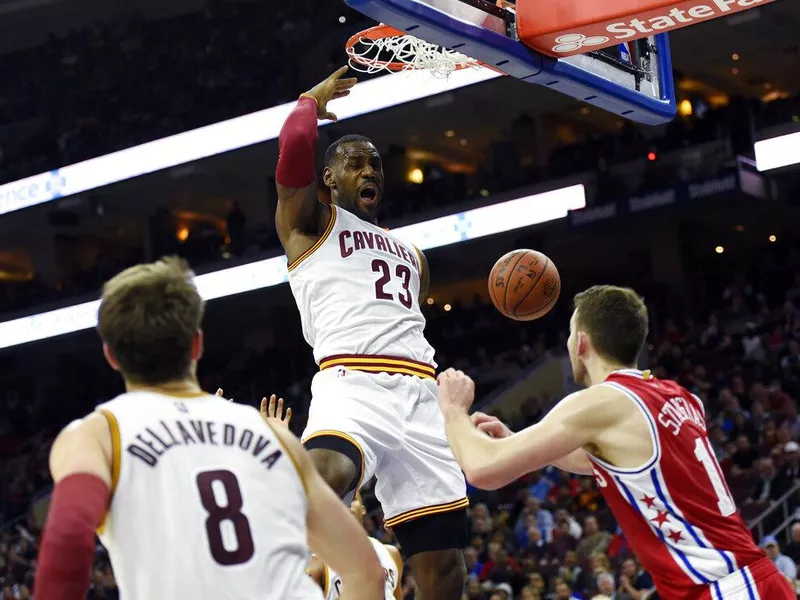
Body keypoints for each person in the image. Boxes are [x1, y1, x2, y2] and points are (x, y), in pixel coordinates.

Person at [33, 257, 383, 600]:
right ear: (196, 344)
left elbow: (68, 536)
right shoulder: (275, 438)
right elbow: (366, 572)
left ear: (111, 355)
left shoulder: (97, 436)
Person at [436, 285, 796, 599]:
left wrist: (453, 410)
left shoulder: (600, 402)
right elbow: (604, 462)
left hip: (725, 589)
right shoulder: (677, 395)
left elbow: (483, 470)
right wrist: (519, 443)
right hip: (746, 581)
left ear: (580, 342)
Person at [274, 66, 467, 598]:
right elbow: (292, 153)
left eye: (376, 163)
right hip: (352, 382)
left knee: (444, 567)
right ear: (329, 179)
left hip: (420, 394)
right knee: (324, 479)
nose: (369, 169)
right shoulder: (310, 223)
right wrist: (308, 103)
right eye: (354, 161)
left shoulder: (414, 255)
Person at [255, 395, 403, 600]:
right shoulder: (317, 564)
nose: (347, 505)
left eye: (354, 499)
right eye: (340, 501)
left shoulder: (390, 554)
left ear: (363, 509)